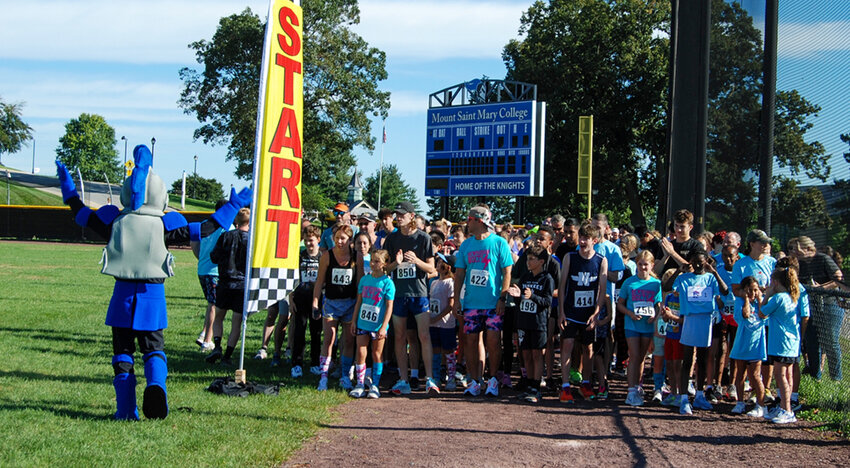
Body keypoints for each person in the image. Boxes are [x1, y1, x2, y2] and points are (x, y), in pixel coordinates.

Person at [56, 146, 251, 420]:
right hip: (153, 296)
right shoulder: (165, 225)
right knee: (154, 349)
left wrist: (69, 191)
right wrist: (232, 205)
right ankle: (157, 386)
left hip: (122, 296)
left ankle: (125, 410)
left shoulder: (115, 221)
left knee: (122, 354)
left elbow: (81, 214)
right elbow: (206, 228)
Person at [453, 204, 514, 397]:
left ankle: (493, 379)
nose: (466, 224)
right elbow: (460, 274)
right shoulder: (466, 245)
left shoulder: (498, 243)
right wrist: (457, 300)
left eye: (469, 220)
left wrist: (502, 297)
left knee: (494, 341)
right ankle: (474, 379)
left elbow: (507, 272)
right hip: (471, 303)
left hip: (493, 302)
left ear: (478, 221)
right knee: (470, 341)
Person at [384, 201, 439, 395]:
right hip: (399, 294)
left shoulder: (423, 238)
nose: (398, 217)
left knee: (423, 336)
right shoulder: (391, 239)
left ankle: (430, 379)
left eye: (401, 214)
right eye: (396, 215)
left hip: (419, 293)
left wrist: (416, 261)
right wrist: (396, 264)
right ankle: (403, 379)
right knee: (400, 337)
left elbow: (432, 268)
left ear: (412, 217)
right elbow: (385, 269)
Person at [665, 250, 729, 415]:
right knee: (687, 360)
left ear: (707, 261)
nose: (699, 265)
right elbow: (665, 286)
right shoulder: (684, 279)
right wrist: (680, 269)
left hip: (706, 320)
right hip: (690, 320)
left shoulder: (709, 278)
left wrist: (714, 271)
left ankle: (700, 395)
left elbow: (725, 291)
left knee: (702, 359)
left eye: (702, 261)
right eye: (696, 262)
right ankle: (684, 398)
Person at [557, 221, 608, 403]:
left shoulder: (601, 260)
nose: (583, 242)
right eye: (582, 238)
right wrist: (561, 311)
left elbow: (602, 290)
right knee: (568, 346)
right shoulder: (570, 257)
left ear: (594, 240)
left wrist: (597, 312)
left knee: (588, 349)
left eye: (587, 238)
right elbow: (562, 286)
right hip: (570, 312)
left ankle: (585, 384)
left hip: (589, 314)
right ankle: (565, 387)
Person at [788, 236, 843, 380]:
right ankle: (815, 376)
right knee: (811, 341)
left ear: (807, 248)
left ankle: (836, 378)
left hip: (829, 305)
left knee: (830, 342)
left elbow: (839, 279)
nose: (795, 252)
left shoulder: (823, 259)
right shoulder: (800, 263)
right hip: (811, 306)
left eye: (797, 248)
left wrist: (821, 288)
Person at [312, 225, 359, 391]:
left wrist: (358, 306)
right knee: (329, 338)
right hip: (331, 302)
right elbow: (319, 281)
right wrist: (315, 302)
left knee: (348, 340)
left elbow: (359, 283)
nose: (339, 242)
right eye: (337, 238)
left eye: (343, 238)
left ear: (350, 240)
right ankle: (323, 376)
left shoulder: (356, 257)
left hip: (350, 303)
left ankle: (345, 375)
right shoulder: (326, 256)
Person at [206, 208, 252, 367]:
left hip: (225, 282)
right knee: (237, 322)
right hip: (242, 285)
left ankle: (217, 346)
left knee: (219, 316)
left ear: (236, 221)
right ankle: (228, 355)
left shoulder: (225, 236)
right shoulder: (252, 241)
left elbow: (214, 257)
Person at [509, 245, 554, 403]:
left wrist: (532, 296)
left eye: (531, 259)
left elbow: (547, 301)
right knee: (525, 354)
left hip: (538, 323)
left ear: (541, 261)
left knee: (536, 354)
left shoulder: (547, 279)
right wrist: (517, 295)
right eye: (527, 259)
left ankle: (536, 387)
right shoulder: (526, 277)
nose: (528, 262)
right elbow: (521, 297)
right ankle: (528, 385)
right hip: (523, 321)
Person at [759, 265, 804, 424]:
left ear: (776, 282)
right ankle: (785, 407)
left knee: (781, 375)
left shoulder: (778, 298)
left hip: (781, 343)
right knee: (787, 375)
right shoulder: (792, 296)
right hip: (791, 342)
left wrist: (766, 296)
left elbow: (762, 312)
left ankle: (787, 410)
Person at [619, 250, 663, 406]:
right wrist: (630, 313)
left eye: (646, 265)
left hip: (647, 326)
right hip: (632, 325)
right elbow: (620, 303)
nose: (643, 268)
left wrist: (655, 316)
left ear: (652, 265)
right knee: (634, 355)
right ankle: (630, 391)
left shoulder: (656, 284)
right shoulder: (629, 282)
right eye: (640, 264)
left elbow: (658, 305)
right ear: (636, 264)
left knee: (642, 357)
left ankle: (638, 386)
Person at [349, 250, 395, 398]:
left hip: (377, 325)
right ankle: (360, 383)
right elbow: (359, 302)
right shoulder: (364, 280)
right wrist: (354, 321)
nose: (373, 264)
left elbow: (389, 307)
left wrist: (384, 326)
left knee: (377, 353)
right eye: (372, 261)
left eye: (377, 261)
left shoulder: (387, 283)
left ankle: (375, 385)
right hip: (363, 322)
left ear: (384, 264)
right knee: (361, 351)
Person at [191, 198, 228, 352]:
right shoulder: (227, 227)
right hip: (216, 272)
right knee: (214, 306)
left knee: (211, 304)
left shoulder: (204, 225)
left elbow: (194, 244)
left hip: (203, 269)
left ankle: (204, 333)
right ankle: (207, 341)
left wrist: (201, 259)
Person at [286, 225, 323, 377]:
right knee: (299, 331)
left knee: (316, 332)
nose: (309, 244)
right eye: (307, 241)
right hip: (300, 297)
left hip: (317, 300)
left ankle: (315, 362)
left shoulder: (322, 257)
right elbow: (291, 279)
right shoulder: (299, 256)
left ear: (318, 240)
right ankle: (297, 364)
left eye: (312, 241)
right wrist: (291, 299)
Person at [728, 276, 767, 416]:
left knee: (756, 375)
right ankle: (740, 403)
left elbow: (763, 315)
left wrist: (760, 298)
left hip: (756, 345)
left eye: (755, 290)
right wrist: (745, 299)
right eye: (749, 290)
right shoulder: (739, 302)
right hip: (742, 342)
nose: (752, 293)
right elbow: (745, 315)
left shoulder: (760, 304)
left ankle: (761, 405)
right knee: (740, 373)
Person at [429, 253, 457, 389]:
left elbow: (451, 305)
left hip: (446, 324)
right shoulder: (434, 282)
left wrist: (437, 317)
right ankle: (436, 377)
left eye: (441, 262)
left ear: (448, 267)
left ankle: (451, 378)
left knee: (448, 350)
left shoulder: (450, 283)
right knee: (435, 350)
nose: (438, 263)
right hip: (433, 323)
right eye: (438, 261)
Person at [657, 209, 705, 276]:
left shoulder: (696, 246)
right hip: (667, 283)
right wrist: (665, 256)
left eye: (682, 226)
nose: (678, 229)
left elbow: (691, 270)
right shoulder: (668, 245)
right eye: (676, 225)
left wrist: (672, 253)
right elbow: (655, 272)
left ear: (690, 227)